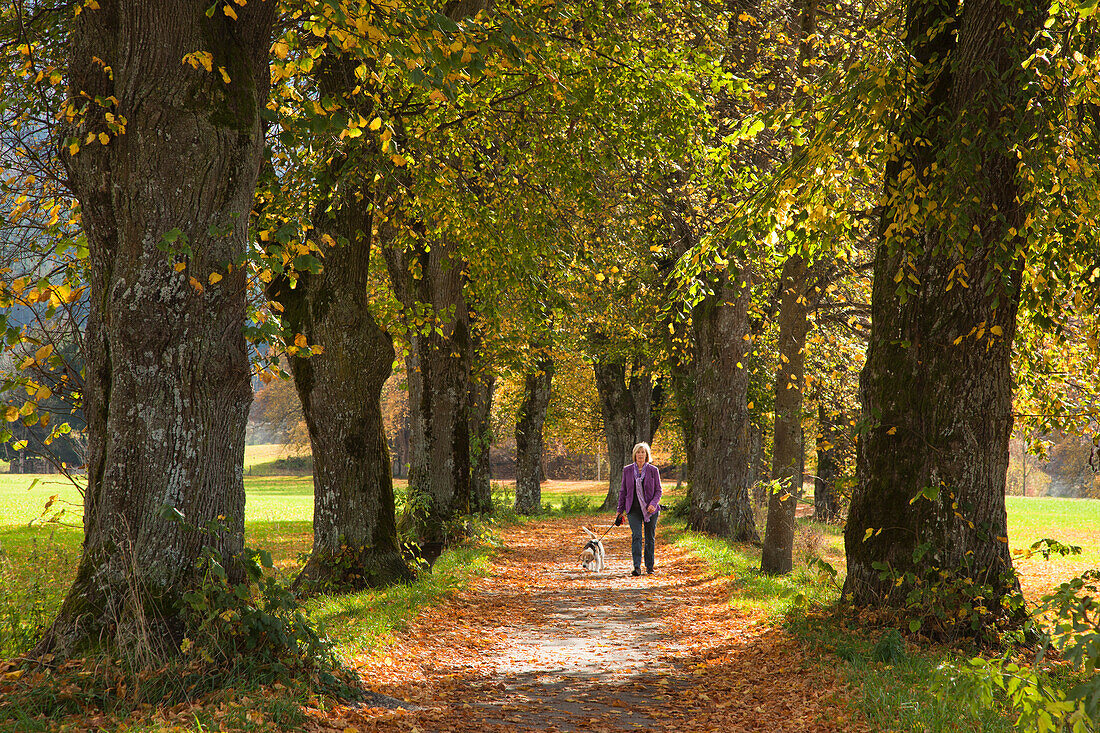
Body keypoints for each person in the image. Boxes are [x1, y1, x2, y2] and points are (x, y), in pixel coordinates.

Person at [615, 442, 662, 576]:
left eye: (643, 452)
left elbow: (658, 490)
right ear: (634, 455)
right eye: (638, 452)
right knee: (636, 536)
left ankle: (649, 567)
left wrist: (653, 503)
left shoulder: (654, 470)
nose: (640, 455)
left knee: (649, 538)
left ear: (647, 455)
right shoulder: (627, 470)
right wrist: (620, 510)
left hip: (650, 510)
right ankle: (637, 567)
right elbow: (623, 491)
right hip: (633, 509)